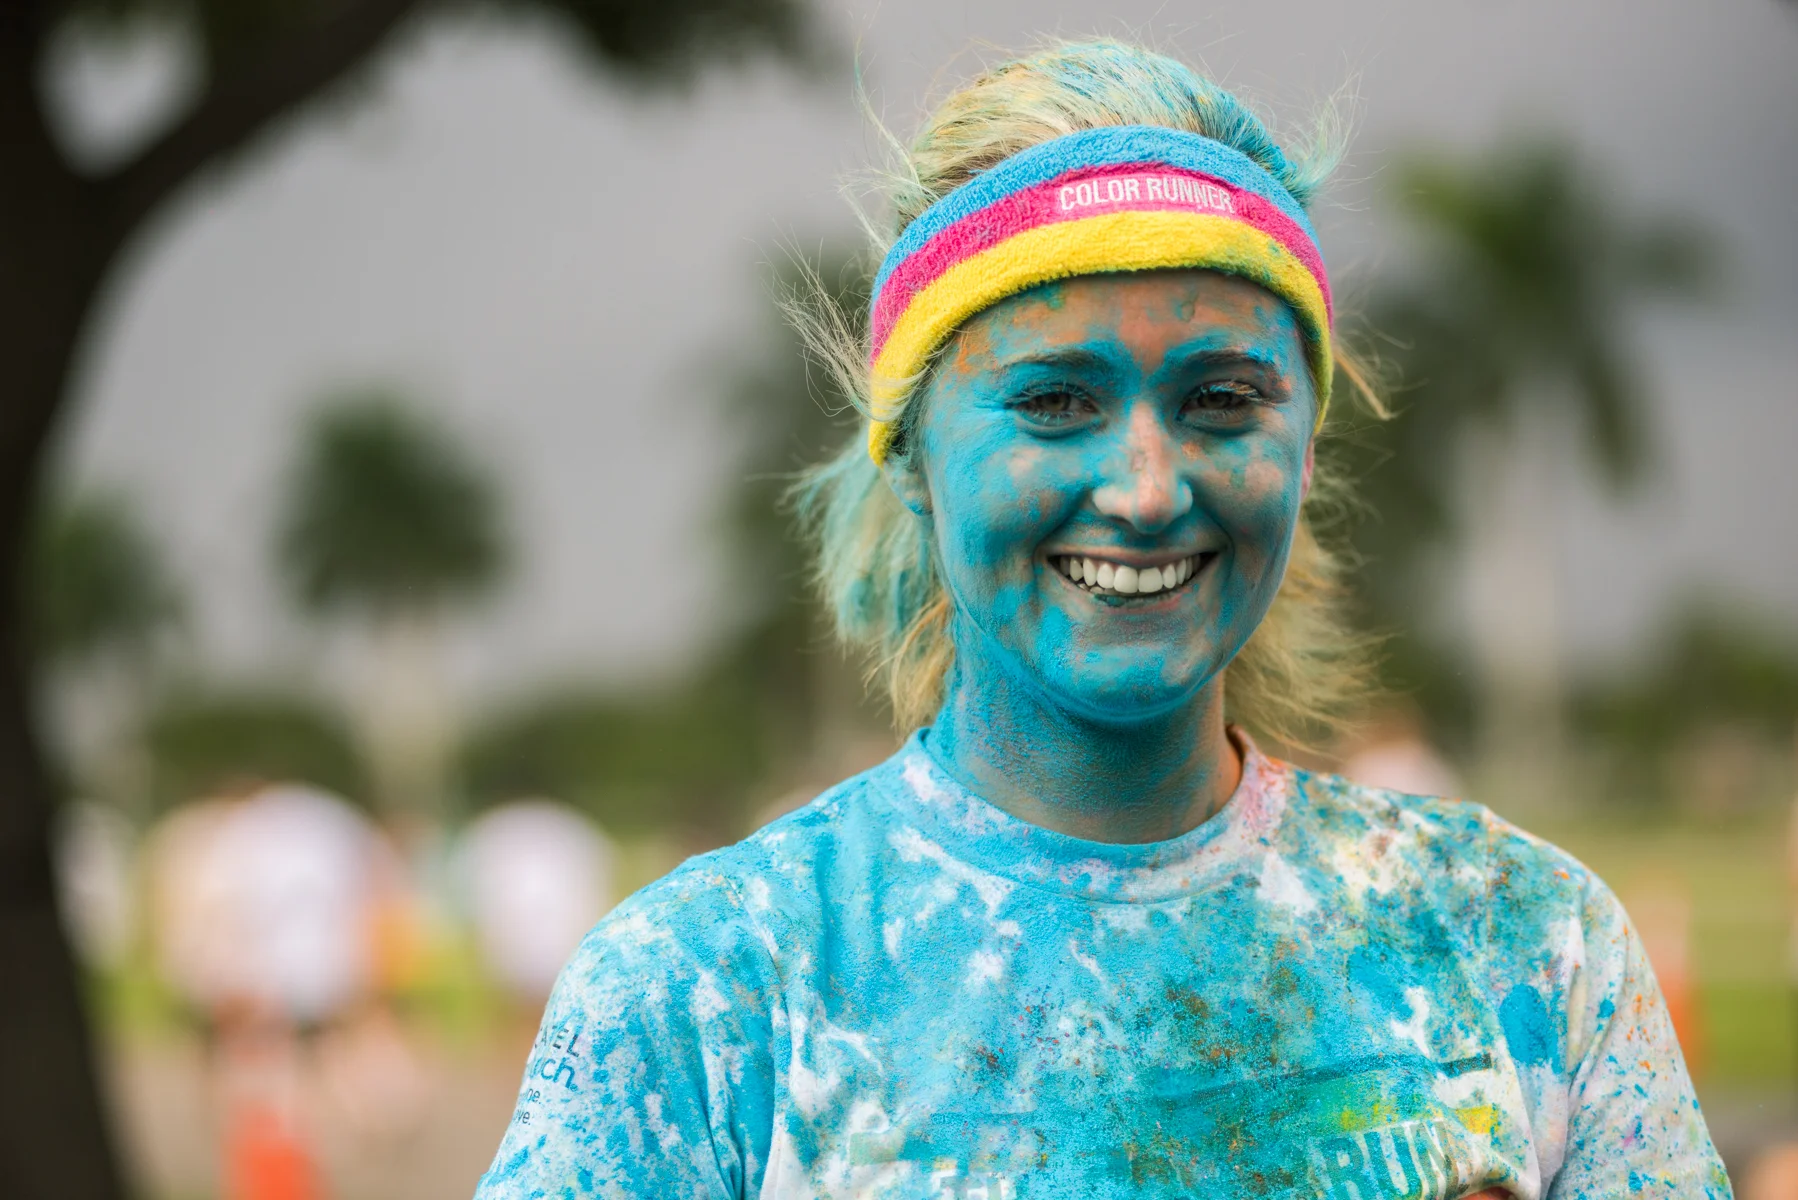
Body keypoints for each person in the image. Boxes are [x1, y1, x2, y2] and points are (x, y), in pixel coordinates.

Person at [475, 40, 1727, 1199]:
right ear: (913, 457)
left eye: (1222, 398)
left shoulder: (1519, 944)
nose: (1143, 487)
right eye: (1057, 400)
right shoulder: (709, 997)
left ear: (1302, 441)